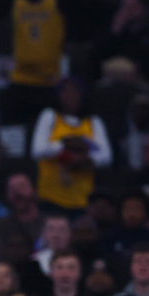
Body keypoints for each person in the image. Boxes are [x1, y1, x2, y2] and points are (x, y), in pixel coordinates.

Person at [32, 78, 113, 212]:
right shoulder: (49, 116)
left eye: (75, 92)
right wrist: (65, 145)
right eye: (65, 91)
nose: (70, 96)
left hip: (82, 199)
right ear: (58, 95)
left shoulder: (93, 122)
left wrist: (83, 159)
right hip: (50, 198)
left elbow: (106, 156)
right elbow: (37, 151)